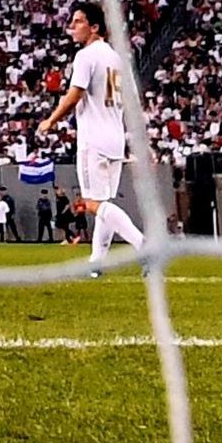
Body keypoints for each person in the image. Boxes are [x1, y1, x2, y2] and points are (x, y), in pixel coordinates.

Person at [52, 15, 148, 263]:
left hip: (93, 138)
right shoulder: (118, 59)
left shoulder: (86, 56)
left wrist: (50, 120)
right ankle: (96, 261)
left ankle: (142, 245)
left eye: (79, 21)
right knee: (104, 204)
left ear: (94, 27)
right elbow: (134, 103)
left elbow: (74, 96)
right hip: (115, 139)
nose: (72, 27)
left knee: (92, 203)